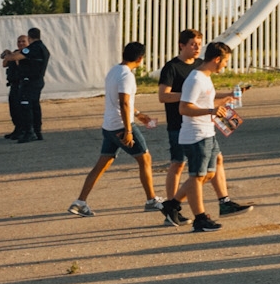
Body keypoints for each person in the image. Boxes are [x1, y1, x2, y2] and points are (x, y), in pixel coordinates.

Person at [69, 41, 157, 216]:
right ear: (140, 59)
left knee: (102, 164)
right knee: (145, 159)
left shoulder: (114, 71)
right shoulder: (127, 76)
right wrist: (129, 130)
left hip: (109, 126)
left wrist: (138, 114)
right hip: (121, 126)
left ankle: (80, 202)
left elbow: (121, 101)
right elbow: (124, 102)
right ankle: (151, 200)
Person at [175, 42, 253, 233]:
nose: (226, 65)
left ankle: (176, 204)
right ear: (217, 59)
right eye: (225, 61)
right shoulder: (196, 79)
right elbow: (184, 108)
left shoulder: (205, 77)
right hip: (196, 134)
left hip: (207, 131)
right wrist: (212, 110)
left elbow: (206, 100)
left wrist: (225, 99)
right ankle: (199, 218)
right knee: (197, 176)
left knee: (215, 165)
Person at [155, 31, 201, 221]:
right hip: (178, 124)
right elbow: (163, 96)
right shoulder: (172, 67)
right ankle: (172, 208)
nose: (197, 47)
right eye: (192, 44)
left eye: (199, 43)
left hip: (198, 122)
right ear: (181, 45)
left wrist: (228, 96)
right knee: (178, 164)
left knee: (203, 168)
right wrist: (186, 95)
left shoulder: (200, 65)